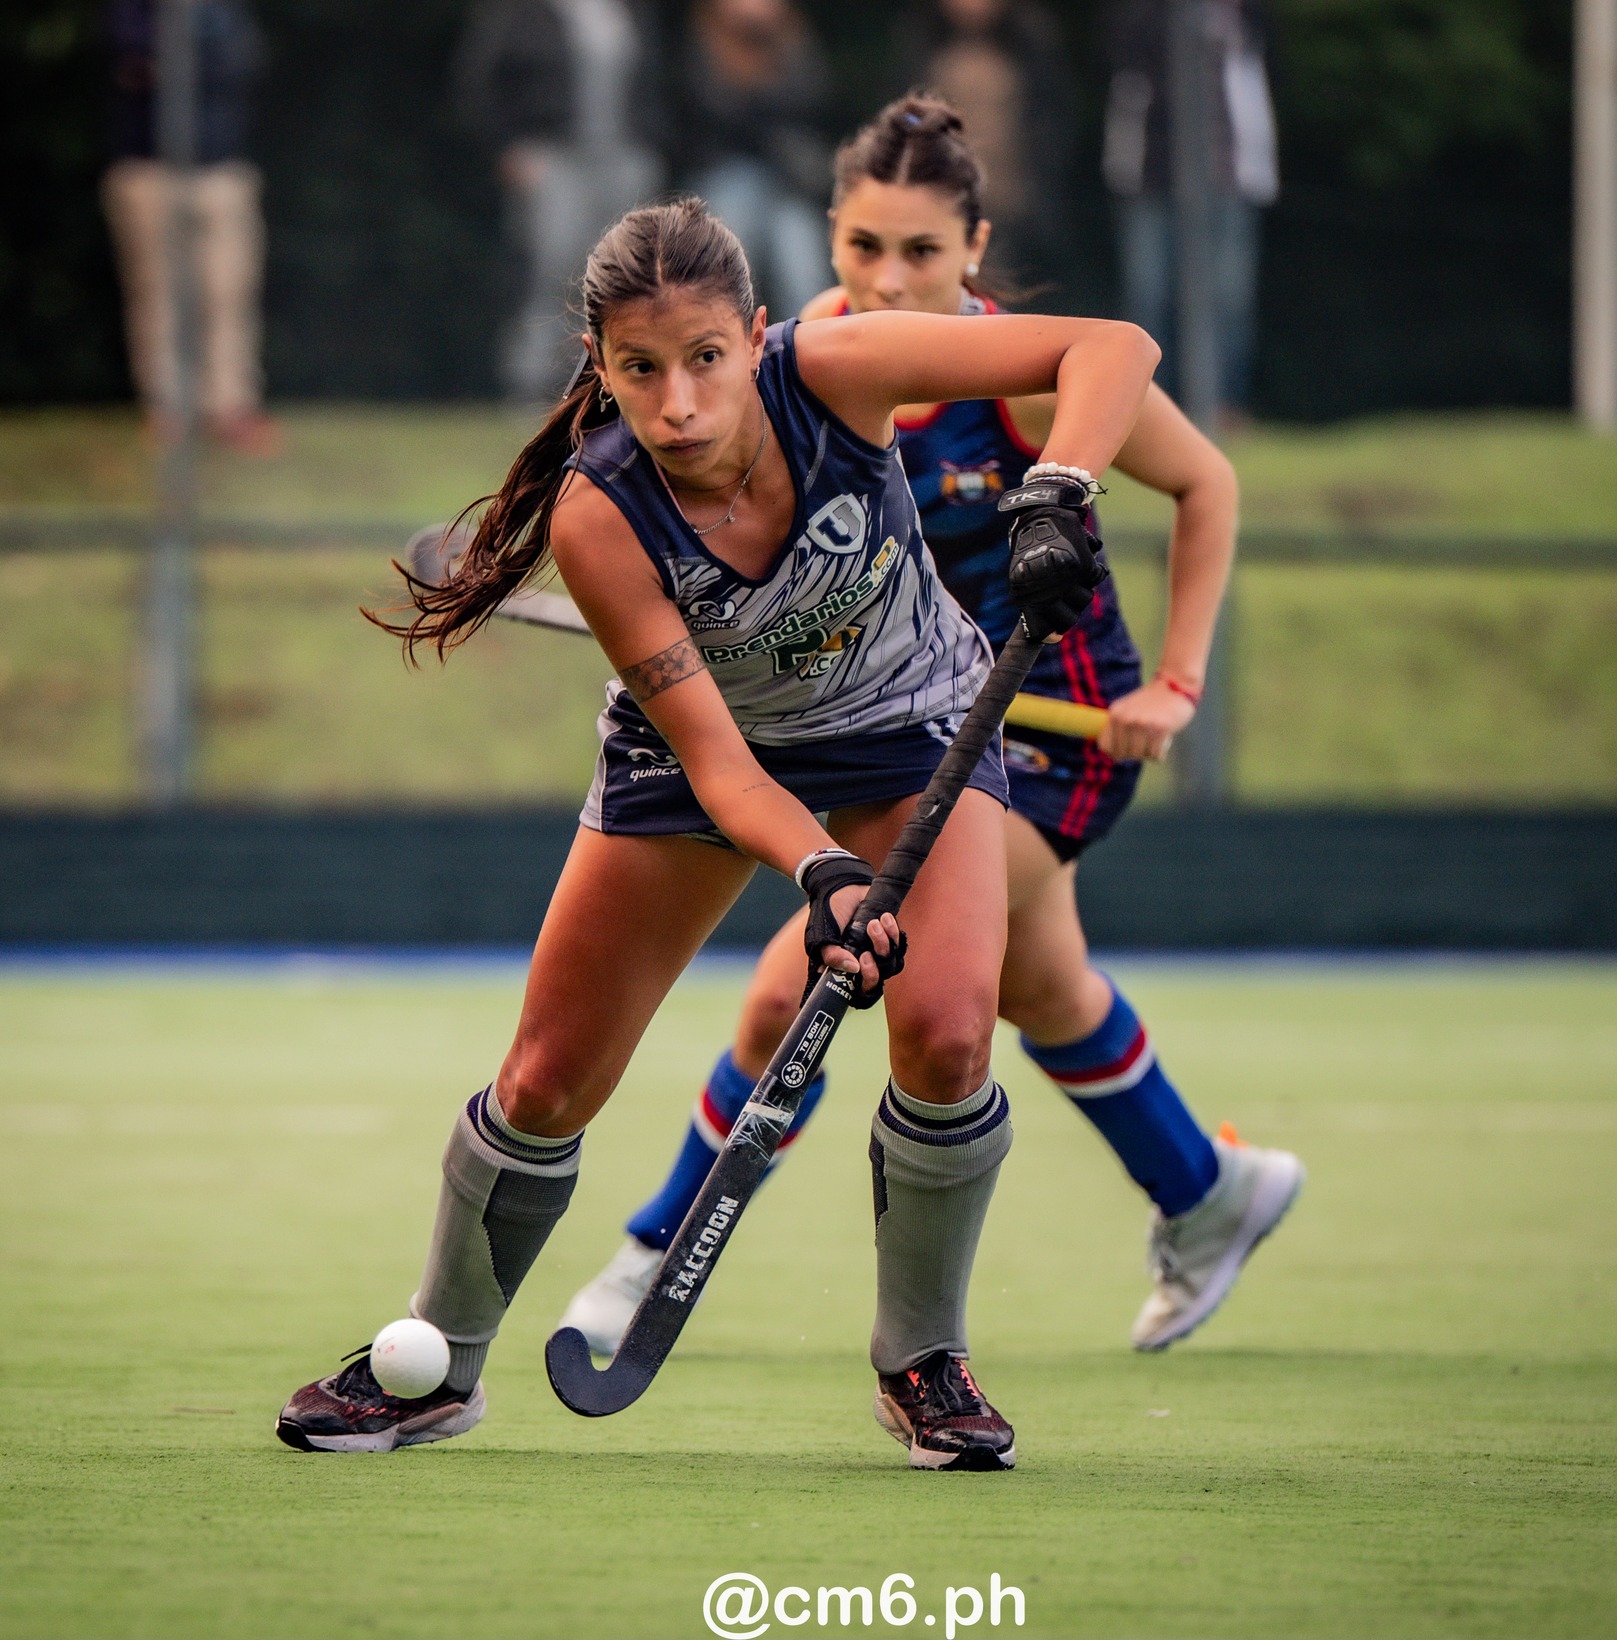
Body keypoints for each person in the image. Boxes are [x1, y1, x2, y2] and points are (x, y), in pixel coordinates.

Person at [275, 198, 1158, 1469]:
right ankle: (437, 1365)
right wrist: (827, 876)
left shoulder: (837, 369)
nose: (677, 401)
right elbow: (718, 762)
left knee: (952, 1032)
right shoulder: (599, 516)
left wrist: (1058, 491)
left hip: (910, 729)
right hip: (699, 768)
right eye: (638, 370)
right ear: (599, 366)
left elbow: (1112, 349)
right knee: (542, 1080)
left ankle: (923, 1362)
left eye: (702, 359)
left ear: (752, 335)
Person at [559, 97, 1302, 1363]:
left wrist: (1173, 684)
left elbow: (1204, 482)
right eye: (861, 248)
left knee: (810, 973)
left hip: (1043, 732)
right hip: (896, 730)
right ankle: (1207, 1189)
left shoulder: (1008, 377)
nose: (887, 277)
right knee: (1039, 987)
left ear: (974, 244)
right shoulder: (796, 366)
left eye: (919, 250)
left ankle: (647, 1251)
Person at [453, 0, 667, 404]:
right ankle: (531, 389)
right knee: (552, 271)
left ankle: (607, 389)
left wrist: (649, 150)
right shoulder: (522, 12)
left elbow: (650, 86)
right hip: (553, 160)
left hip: (623, 161)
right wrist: (507, 148)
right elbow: (479, 84)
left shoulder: (629, 11)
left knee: (624, 277)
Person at [101, 0, 278, 453]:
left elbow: (240, 62)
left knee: (228, 292)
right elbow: (126, 57)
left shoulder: (222, 9)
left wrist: (172, 64)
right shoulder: (133, 9)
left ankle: (230, 407)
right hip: (148, 168)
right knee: (158, 294)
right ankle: (169, 410)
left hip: (220, 168)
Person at [1104, 0, 1278, 418]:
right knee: (1148, 297)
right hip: (1151, 175)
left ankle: (1224, 407)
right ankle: (1146, 411)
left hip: (1229, 176)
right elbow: (1121, 61)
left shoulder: (1244, 14)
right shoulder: (1142, 14)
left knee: (1228, 297)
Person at [892, 0, 1074, 290]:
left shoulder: (1029, 46)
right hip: (944, 202)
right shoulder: (924, 48)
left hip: (1013, 201)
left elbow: (1051, 121)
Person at [679, 0, 832, 322]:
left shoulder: (792, 42)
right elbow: (710, 113)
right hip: (724, 173)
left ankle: (804, 357)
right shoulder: (702, 40)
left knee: (802, 262)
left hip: (787, 183)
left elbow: (813, 102)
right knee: (727, 258)